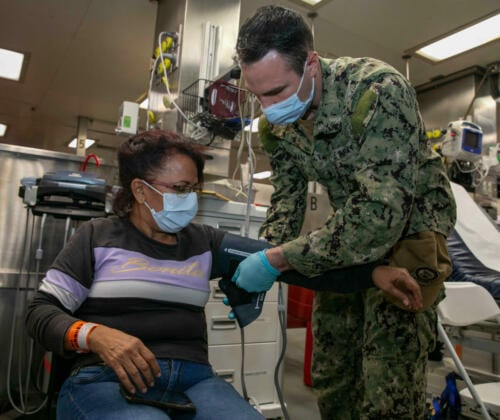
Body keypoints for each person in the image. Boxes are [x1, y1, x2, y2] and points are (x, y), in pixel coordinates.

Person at [233, 5, 457, 419]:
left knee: (388, 388)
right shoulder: (277, 127)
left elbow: (378, 218)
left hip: (408, 235)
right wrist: (263, 250)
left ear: (311, 65)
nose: (267, 108)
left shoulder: (377, 91)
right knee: (333, 375)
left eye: (277, 92)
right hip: (346, 238)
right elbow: (287, 197)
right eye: (257, 95)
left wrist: (281, 259)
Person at [25, 130, 266, 420]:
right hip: (106, 378)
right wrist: (94, 335)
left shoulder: (203, 241)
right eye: (179, 188)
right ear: (140, 190)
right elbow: (39, 312)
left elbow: (272, 255)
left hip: (193, 380)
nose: (189, 199)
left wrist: (273, 263)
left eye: (193, 189)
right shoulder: (97, 237)